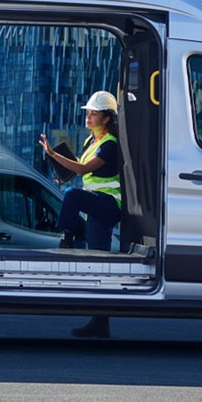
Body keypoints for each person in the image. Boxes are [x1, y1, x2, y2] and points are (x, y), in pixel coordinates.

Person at [38, 90, 125, 340]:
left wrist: (55, 156)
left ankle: (66, 238)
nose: (88, 116)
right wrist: (61, 170)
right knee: (100, 264)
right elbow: (84, 173)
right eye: (87, 112)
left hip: (110, 205)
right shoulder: (92, 141)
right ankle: (101, 323)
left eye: (93, 113)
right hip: (97, 206)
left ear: (107, 118)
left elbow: (85, 168)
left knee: (71, 195)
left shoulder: (110, 144)